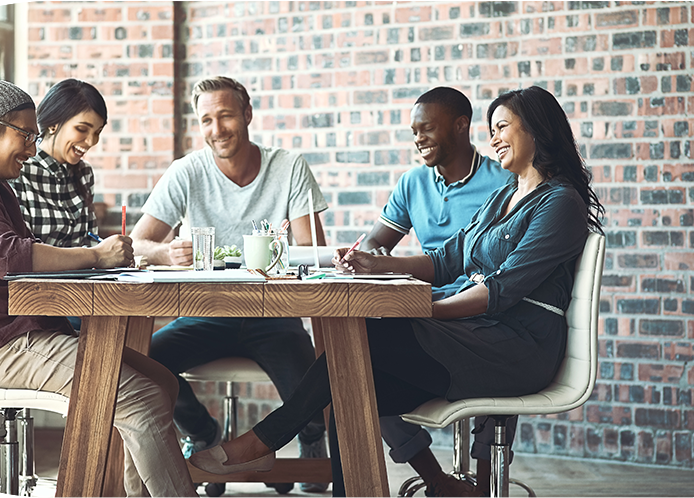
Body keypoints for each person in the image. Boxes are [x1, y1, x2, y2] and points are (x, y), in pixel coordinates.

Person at [189, 84, 604, 498]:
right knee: (349, 388)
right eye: (491, 129)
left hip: (515, 347)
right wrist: (379, 263)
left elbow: (502, 289)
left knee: (365, 335)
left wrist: (420, 307)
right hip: (478, 335)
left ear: (536, 130)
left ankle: (263, 442)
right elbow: (446, 259)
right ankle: (322, 474)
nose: (493, 138)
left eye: (503, 127)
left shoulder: (559, 202)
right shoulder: (504, 198)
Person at [0, 80, 197, 498]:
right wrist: (96, 257)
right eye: (26, 135)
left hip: (25, 333)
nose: (32, 148)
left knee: (161, 383)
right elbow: (10, 257)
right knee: (139, 397)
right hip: (4, 347)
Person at [130, 75, 330, 492]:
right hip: (207, 313)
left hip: (274, 315)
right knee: (140, 364)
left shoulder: (289, 167)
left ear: (247, 115)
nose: (216, 129)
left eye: (225, 116)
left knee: (316, 389)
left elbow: (313, 253)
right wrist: (167, 253)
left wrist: (284, 255)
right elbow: (138, 243)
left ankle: (311, 437)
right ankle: (203, 432)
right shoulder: (186, 171)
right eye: (206, 119)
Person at [0, 79, 111, 498]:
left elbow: (73, 239)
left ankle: (100, 480)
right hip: (19, 313)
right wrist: (96, 257)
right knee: (122, 378)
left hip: (45, 299)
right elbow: (10, 256)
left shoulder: (56, 175)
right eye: (82, 129)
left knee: (134, 360)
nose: (90, 141)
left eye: (97, 133)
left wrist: (98, 254)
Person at [360, 86, 518, 495]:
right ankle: (437, 481)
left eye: (426, 129)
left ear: (461, 125)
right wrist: (365, 256)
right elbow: (375, 244)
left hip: (479, 308)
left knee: (497, 333)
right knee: (353, 357)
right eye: (414, 132)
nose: (418, 139)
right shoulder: (413, 183)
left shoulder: (505, 183)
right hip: (424, 307)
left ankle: (483, 488)